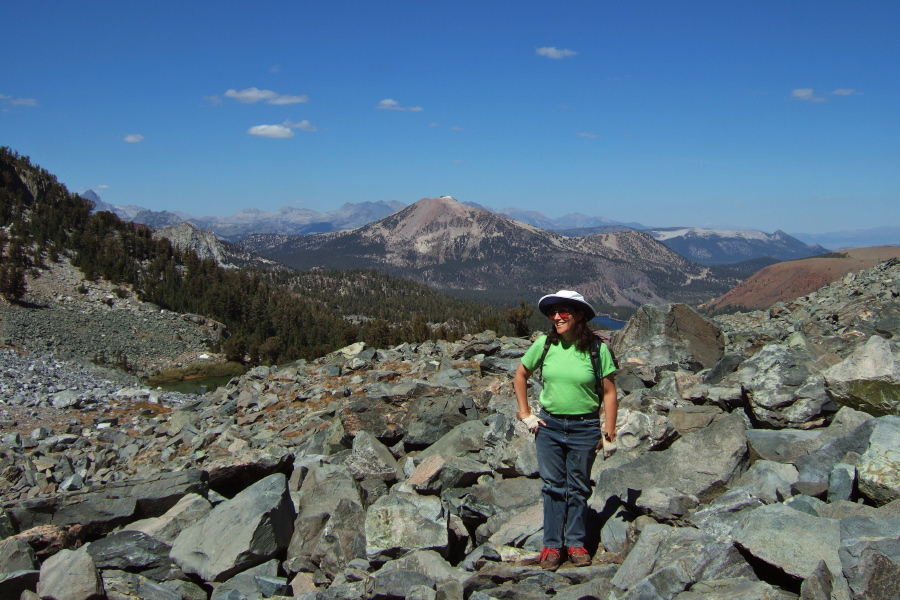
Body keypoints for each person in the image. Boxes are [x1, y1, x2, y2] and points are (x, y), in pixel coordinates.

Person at [513, 290, 618, 571]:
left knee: (579, 487)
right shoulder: (546, 344)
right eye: (553, 313)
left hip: (584, 427)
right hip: (549, 426)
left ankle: (575, 542)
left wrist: (609, 432)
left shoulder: (597, 349)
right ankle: (551, 545)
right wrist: (526, 414)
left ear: (580, 315)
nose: (557, 317)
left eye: (564, 312)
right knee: (553, 487)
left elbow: (609, 392)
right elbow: (521, 374)